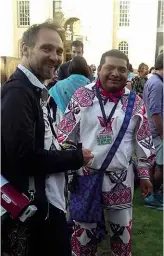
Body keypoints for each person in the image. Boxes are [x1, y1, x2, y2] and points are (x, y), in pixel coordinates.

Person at [1, 21, 93, 256]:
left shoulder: (34, 90)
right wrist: (74, 157)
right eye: (46, 49)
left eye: (59, 51)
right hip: (33, 215)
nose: (55, 57)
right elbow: (23, 158)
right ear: (25, 49)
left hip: (46, 209)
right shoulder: (18, 93)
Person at [57, 49, 154, 256]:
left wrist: (144, 175)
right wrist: (71, 167)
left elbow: (143, 140)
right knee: (83, 238)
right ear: (99, 69)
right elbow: (64, 136)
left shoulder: (135, 102)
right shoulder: (82, 96)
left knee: (122, 239)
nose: (115, 73)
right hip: (86, 178)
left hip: (121, 180)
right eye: (110, 68)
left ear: (128, 73)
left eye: (122, 69)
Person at [143, 53, 163, 209]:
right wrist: (162, 134)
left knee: (156, 164)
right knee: (160, 166)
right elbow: (156, 112)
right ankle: (153, 197)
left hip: (153, 130)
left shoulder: (153, 81)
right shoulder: (157, 84)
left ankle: (153, 194)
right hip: (156, 131)